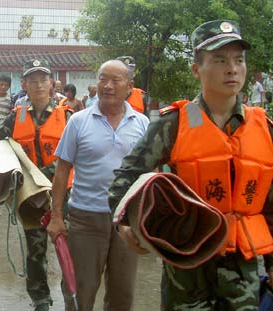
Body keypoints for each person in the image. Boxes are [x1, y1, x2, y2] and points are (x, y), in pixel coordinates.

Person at [108, 20, 273, 310]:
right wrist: (125, 224)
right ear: (196, 69)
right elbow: (127, 176)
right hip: (186, 267)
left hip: (242, 269)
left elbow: (270, 201)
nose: (232, 69)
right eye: (220, 60)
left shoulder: (264, 128)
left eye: (239, 60)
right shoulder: (174, 124)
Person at [47, 59, 149, 310]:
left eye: (116, 80)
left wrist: (147, 220)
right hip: (86, 219)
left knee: (122, 293)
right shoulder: (79, 121)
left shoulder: (142, 124)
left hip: (126, 220)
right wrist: (56, 216)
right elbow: (61, 172)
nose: (108, 85)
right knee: (81, 290)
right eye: (103, 78)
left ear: (130, 87)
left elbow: (149, 174)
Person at [0, 59, 73, 311]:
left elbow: (79, 155)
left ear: (52, 84)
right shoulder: (16, 117)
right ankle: (40, 299)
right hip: (31, 197)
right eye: (33, 80)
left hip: (64, 196)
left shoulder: (68, 117)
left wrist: (44, 173)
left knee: (69, 250)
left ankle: (72, 296)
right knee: (35, 251)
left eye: (43, 79)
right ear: (25, 85)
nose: (39, 85)